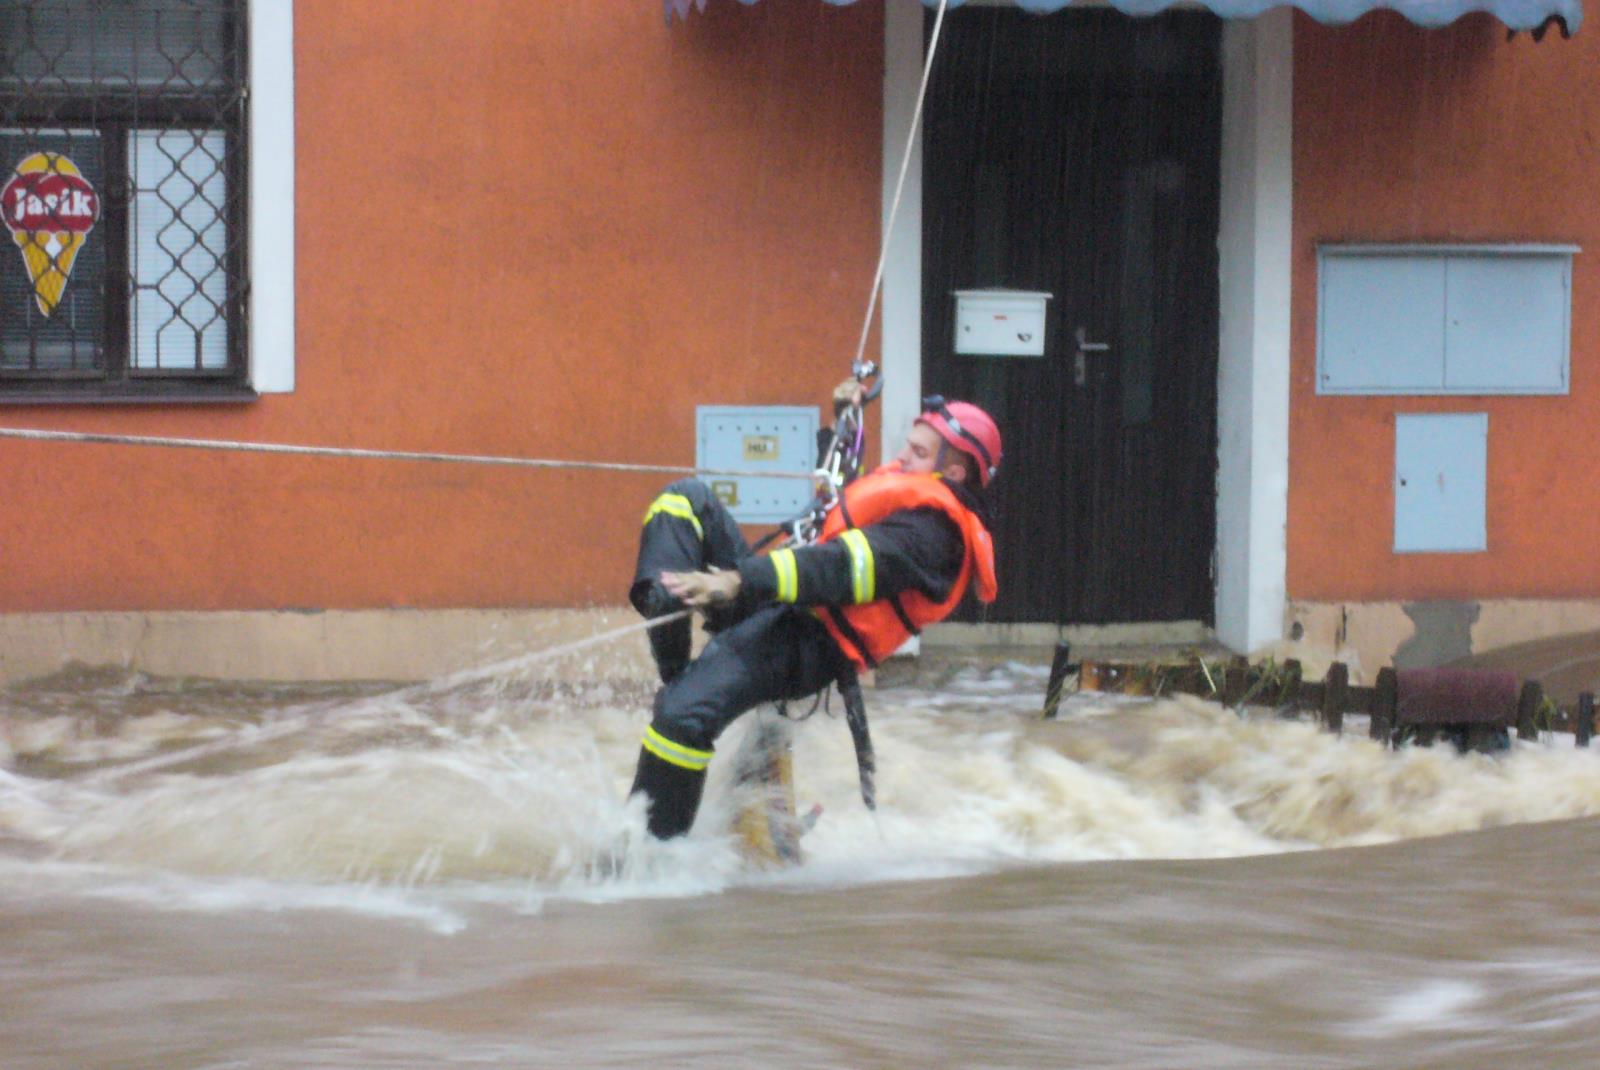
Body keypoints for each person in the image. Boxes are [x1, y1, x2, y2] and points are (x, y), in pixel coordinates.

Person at [625, 384, 1002, 840]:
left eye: (918, 451)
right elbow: (843, 492)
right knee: (686, 500)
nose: (903, 456)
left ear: (955, 472)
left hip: (808, 644)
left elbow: (839, 567)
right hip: (778, 601)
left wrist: (739, 581)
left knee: (681, 720)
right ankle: (674, 656)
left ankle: (651, 861)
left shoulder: (935, 536)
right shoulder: (913, 492)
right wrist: (844, 418)